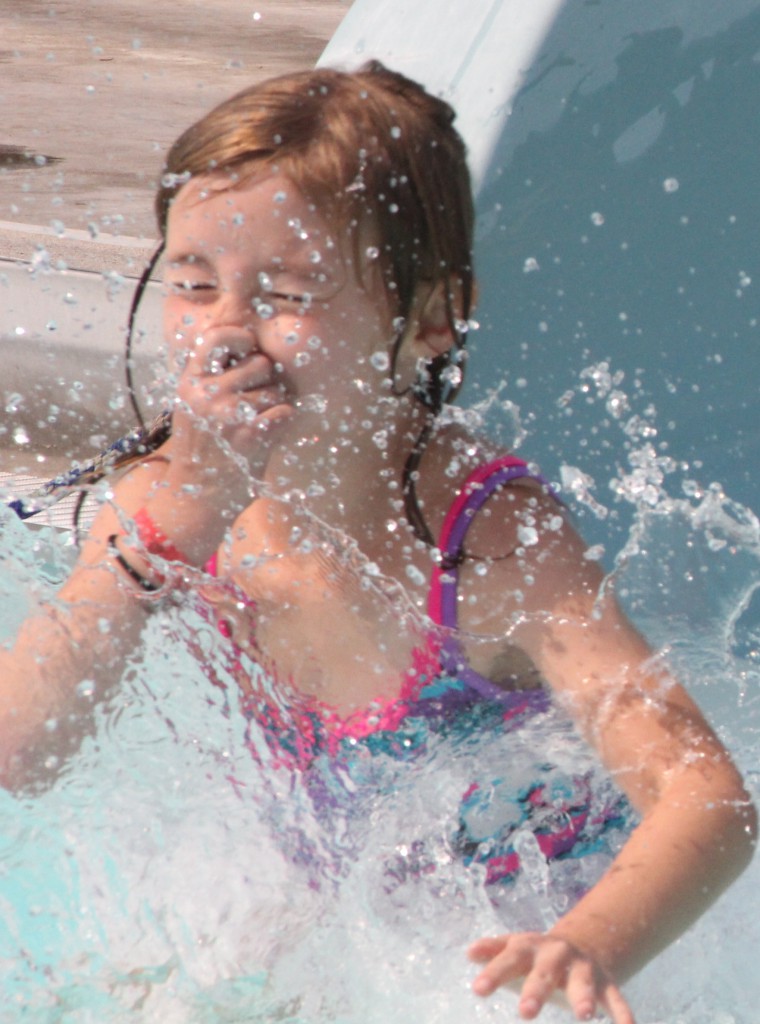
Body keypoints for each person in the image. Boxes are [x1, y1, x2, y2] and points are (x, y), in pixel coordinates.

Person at [0, 61, 755, 1023]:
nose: (228, 334)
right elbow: (19, 752)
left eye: (286, 294)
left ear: (432, 317)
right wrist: (173, 529)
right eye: (194, 285)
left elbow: (705, 794)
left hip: (537, 954)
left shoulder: (488, 544)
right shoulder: (166, 505)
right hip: (345, 922)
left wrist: (587, 945)